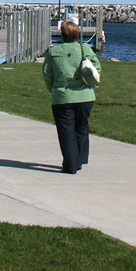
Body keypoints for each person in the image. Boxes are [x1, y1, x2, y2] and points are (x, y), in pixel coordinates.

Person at [42, 16, 101, 174]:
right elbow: (97, 69)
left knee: (66, 130)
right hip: (85, 96)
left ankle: (71, 164)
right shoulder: (84, 49)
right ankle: (80, 159)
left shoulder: (54, 51)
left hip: (62, 96)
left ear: (62, 34)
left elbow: (47, 73)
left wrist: (52, 88)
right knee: (81, 126)